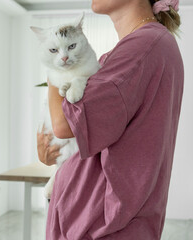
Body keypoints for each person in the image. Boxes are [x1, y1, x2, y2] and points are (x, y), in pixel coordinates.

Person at [36, 0, 184, 239]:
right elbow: (66, 131)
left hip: (103, 226)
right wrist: (52, 149)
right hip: (96, 221)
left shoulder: (142, 47)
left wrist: (52, 64)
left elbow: (63, 125)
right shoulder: (124, 53)